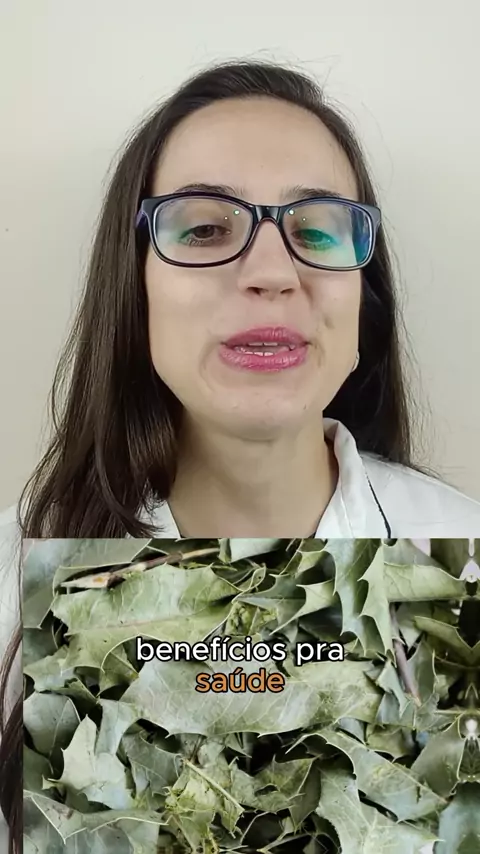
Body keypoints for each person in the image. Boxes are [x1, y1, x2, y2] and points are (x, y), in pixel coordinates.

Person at [1, 57, 480, 853]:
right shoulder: (15, 580)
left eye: (316, 230)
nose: (271, 272)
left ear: (365, 295)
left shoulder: (464, 565)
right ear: (135, 285)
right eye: (204, 229)